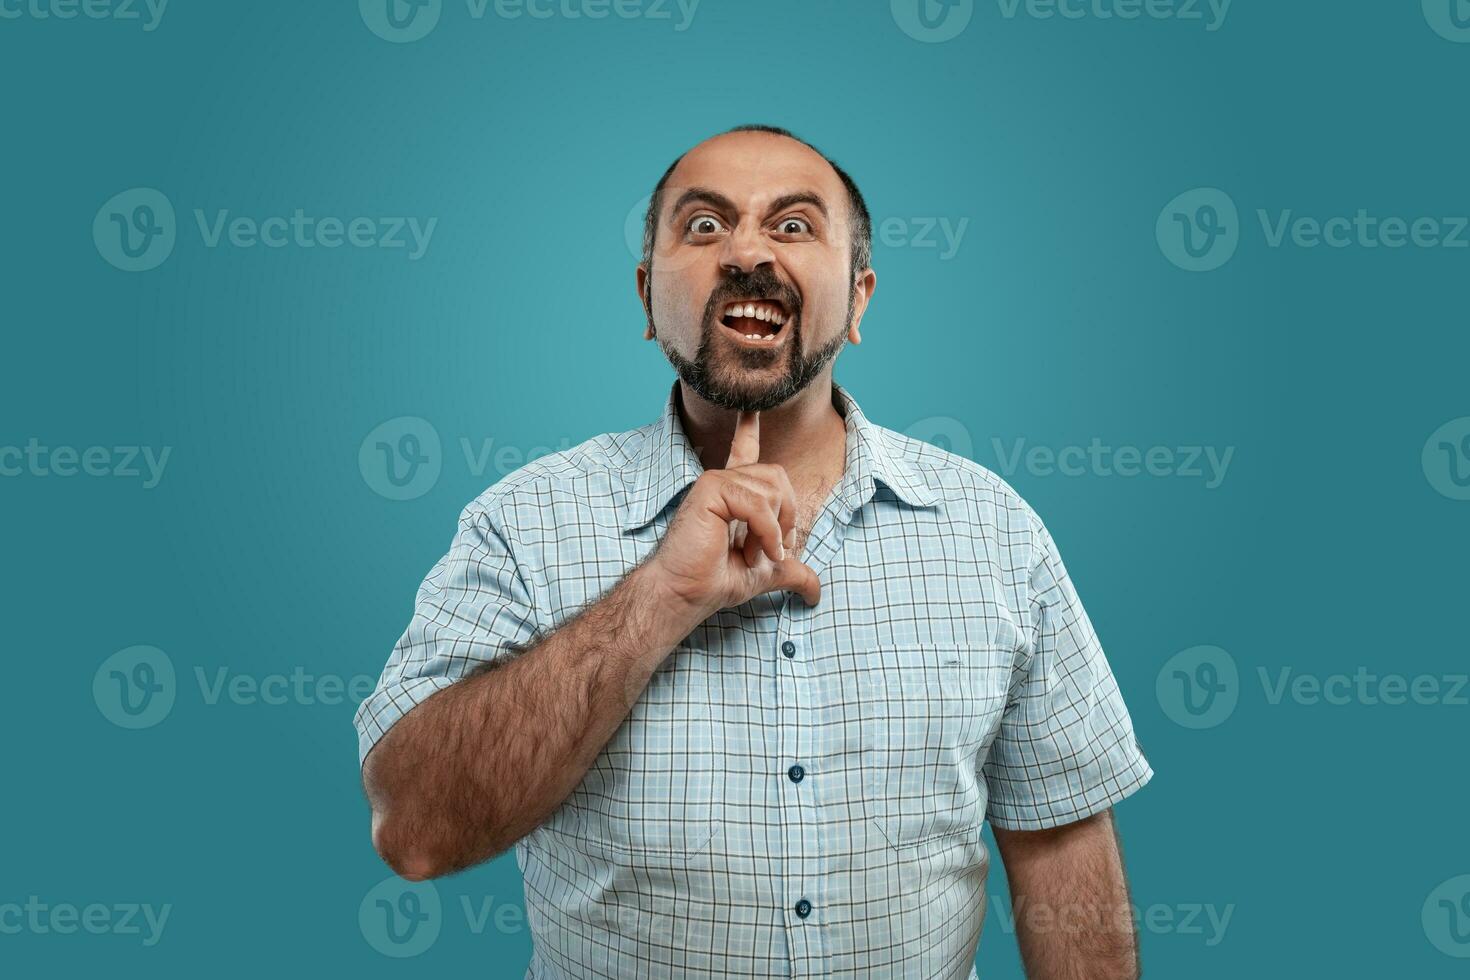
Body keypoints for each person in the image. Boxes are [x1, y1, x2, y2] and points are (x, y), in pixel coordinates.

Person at [354, 124, 1154, 979]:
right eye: (703, 226)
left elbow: (1062, 847)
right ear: (644, 295)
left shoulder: (994, 530)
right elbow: (417, 831)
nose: (746, 253)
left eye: (795, 225)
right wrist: (661, 594)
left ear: (858, 299)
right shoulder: (524, 521)